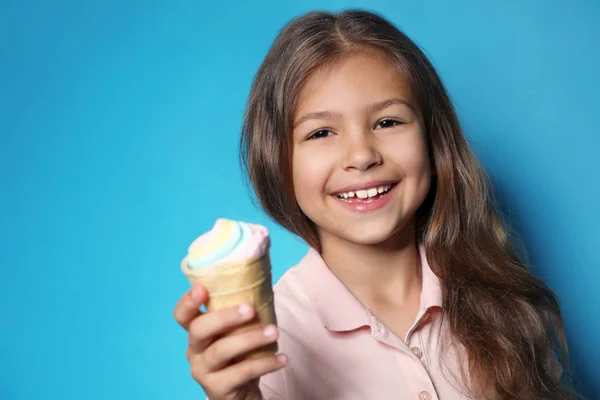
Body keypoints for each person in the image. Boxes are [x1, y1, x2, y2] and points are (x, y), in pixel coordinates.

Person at [173, 9, 577, 400]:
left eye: (388, 122)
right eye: (321, 132)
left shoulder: (503, 299)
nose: (362, 154)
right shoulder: (272, 339)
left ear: (434, 144)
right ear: (279, 165)